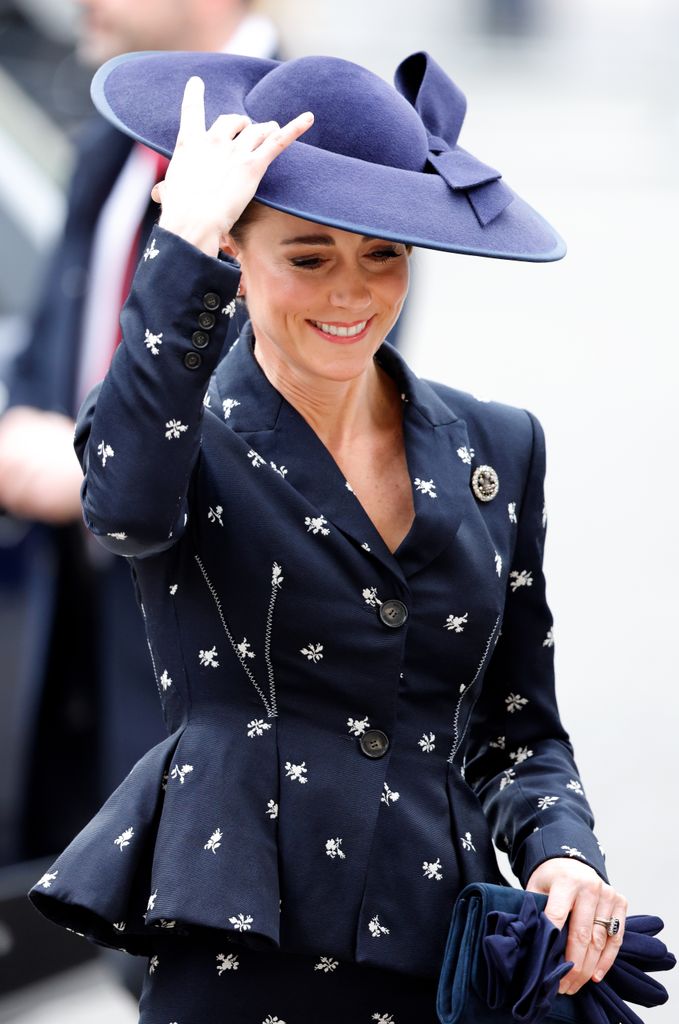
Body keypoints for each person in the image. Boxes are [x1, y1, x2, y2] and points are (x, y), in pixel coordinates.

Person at [29, 49, 628, 1023]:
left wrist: (562, 851)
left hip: (437, 953)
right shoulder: (180, 427)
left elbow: (516, 725)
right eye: (308, 256)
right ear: (239, 250)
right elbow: (123, 510)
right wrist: (179, 244)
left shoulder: (498, 443)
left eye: (381, 255)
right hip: (236, 947)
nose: (351, 295)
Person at [0, 0, 279, 861]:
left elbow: (295, 421)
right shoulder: (119, 128)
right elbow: (51, 348)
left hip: (214, 677)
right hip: (76, 627)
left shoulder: (317, 146)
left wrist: (86, 463)